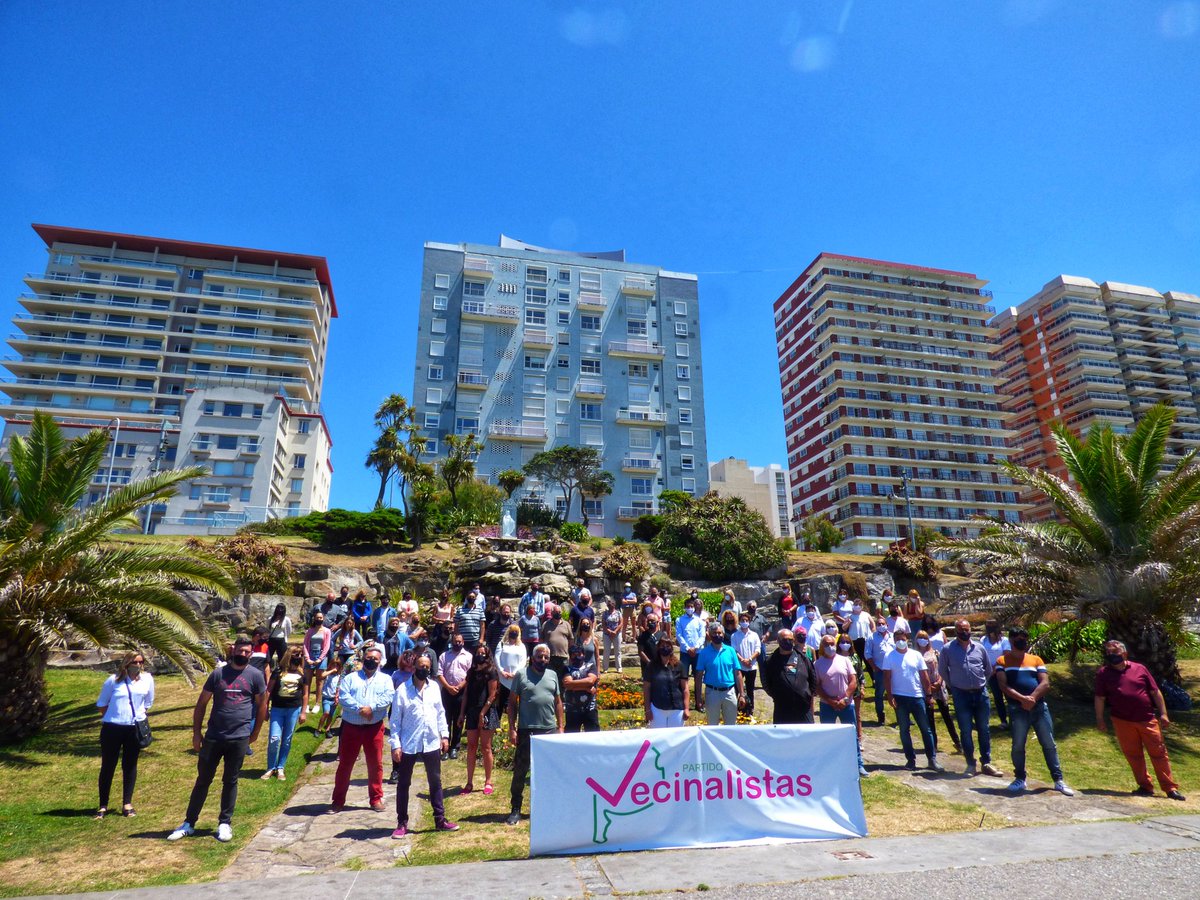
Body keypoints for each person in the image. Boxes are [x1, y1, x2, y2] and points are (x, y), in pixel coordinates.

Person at [168, 635, 266, 843]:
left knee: (230, 780)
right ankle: (189, 823)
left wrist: (255, 732)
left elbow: (262, 705)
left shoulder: (255, 676)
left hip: (239, 737)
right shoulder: (218, 674)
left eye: (247, 652)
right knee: (203, 780)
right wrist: (197, 733)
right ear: (233, 649)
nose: (243, 654)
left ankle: (224, 823)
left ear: (251, 653)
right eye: (240, 650)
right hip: (214, 736)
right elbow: (202, 703)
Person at [1094, 640, 1185, 801]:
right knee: (1133, 755)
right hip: (1122, 720)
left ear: (1124, 654)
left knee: (1159, 754)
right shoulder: (1103, 673)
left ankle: (1170, 788)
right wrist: (1100, 719)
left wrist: (1164, 714)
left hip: (1146, 719)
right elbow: (1100, 698)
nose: (1111, 656)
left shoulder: (1139, 669)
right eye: (1108, 653)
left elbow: (1155, 692)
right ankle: (1145, 786)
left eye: (1114, 652)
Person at [995, 627, 1073, 796]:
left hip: (1039, 708)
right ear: (1011, 640)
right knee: (1017, 745)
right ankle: (1020, 779)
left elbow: (1045, 682)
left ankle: (1058, 780)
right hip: (1017, 709)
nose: (1021, 640)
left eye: (1024, 637)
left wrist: (1032, 699)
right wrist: (1022, 699)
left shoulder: (1036, 659)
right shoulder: (1002, 661)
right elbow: (1003, 685)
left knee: (1049, 744)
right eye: (1018, 637)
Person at [388, 654, 458, 837]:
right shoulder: (402, 690)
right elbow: (394, 721)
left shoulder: (434, 687)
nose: (424, 669)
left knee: (435, 781)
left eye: (427, 666)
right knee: (403, 783)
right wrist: (395, 745)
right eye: (421, 666)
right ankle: (402, 822)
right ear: (413, 667)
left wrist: (445, 736)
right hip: (408, 743)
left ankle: (440, 820)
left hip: (431, 741)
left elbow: (440, 713)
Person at [330, 645, 394, 812]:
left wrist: (371, 708)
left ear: (380, 662)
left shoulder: (386, 679)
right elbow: (343, 697)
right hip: (351, 727)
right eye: (369, 657)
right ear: (363, 658)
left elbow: (388, 697)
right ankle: (338, 800)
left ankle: (376, 799)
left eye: (375, 659)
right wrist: (361, 709)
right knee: (345, 764)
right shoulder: (350, 678)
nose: (371, 661)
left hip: (374, 728)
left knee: (375, 765)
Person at [506, 643, 564, 826]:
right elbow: (512, 704)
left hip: (548, 731)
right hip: (527, 730)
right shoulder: (521, 675)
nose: (543, 660)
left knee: (548, 773)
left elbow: (558, 703)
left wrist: (560, 726)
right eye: (540, 657)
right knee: (521, 772)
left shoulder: (553, 675)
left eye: (546, 657)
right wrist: (512, 728)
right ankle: (516, 808)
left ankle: (547, 808)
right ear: (533, 657)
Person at [939, 620, 1004, 777]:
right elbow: (943, 671)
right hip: (961, 695)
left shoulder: (979, 648)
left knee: (984, 729)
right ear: (956, 631)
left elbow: (988, 670)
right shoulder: (947, 649)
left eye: (967, 629)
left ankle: (986, 762)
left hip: (980, 694)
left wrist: (980, 683)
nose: (965, 632)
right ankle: (970, 763)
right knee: (966, 730)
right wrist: (953, 686)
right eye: (961, 629)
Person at [95, 650, 154, 819]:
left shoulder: (147, 680)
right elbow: (102, 704)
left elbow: (148, 703)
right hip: (112, 728)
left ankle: (127, 803)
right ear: (127, 664)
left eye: (141, 662)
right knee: (108, 766)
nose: (139, 665)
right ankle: (103, 805)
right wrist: (114, 717)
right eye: (135, 662)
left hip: (133, 728)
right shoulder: (113, 681)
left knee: (130, 765)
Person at [881, 631, 943, 773]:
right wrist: (890, 696)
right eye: (897, 639)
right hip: (900, 697)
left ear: (907, 639)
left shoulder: (916, 655)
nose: (900, 641)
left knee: (926, 729)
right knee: (904, 730)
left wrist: (928, 694)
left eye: (902, 639)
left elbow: (924, 675)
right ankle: (910, 760)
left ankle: (932, 759)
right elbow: (887, 677)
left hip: (917, 696)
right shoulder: (889, 656)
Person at [815, 634, 866, 777]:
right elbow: (817, 686)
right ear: (822, 647)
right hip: (827, 705)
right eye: (826, 644)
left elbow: (853, 680)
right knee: (828, 736)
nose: (830, 647)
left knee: (851, 735)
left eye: (832, 644)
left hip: (846, 704)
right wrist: (830, 700)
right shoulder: (817, 664)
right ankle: (830, 765)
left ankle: (858, 764)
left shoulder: (845, 660)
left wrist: (845, 698)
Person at [262, 648, 308, 780]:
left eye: (300, 655)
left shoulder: (302, 674)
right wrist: (265, 708)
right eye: (295, 655)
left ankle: (280, 767)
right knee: (274, 739)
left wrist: (303, 712)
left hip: (293, 710)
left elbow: (305, 694)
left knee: (287, 740)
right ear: (289, 656)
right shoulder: (278, 672)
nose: (298, 657)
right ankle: (271, 767)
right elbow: (268, 691)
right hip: (277, 709)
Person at [459, 645, 499, 795]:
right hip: (472, 710)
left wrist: (483, 713)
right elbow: (467, 694)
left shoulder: (491, 672)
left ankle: (488, 781)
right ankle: (469, 782)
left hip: (487, 711)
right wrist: (462, 714)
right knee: (471, 746)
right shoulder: (471, 672)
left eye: (483, 653)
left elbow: (492, 695)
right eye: (478, 652)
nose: (480, 655)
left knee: (486, 747)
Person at [916, 630, 960, 756]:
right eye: (920, 638)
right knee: (930, 719)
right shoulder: (915, 654)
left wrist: (940, 682)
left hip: (938, 686)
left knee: (946, 716)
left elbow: (942, 668)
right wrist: (927, 686)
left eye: (924, 638)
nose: (922, 640)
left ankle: (957, 742)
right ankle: (933, 744)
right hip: (925, 688)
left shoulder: (935, 652)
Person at [762, 628, 817, 724]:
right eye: (784, 640)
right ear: (778, 641)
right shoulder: (771, 661)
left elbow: (813, 680)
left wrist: (806, 694)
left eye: (790, 640)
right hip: (782, 710)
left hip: (803, 709)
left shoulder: (803, 659)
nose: (788, 642)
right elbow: (766, 682)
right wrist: (777, 695)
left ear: (794, 640)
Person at [696, 623, 745, 726]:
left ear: (723, 634)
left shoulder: (731, 651)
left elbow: (737, 673)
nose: (717, 635)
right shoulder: (703, 653)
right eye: (714, 633)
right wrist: (699, 697)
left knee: (731, 726)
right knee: (712, 726)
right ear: (709, 635)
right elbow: (699, 676)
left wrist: (742, 694)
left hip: (729, 692)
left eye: (719, 633)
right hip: (712, 693)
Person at [644, 632, 690, 727]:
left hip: (677, 709)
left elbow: (685, 689)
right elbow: (646, 689)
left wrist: (686, 709)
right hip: (657, 709)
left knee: (676, 739)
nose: (665, 648)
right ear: (658, 648)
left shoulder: (679, 665)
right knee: (658, 739)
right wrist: (647, 709)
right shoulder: (651, 666)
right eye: (662, 645)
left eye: (667, 646)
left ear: (671, 648)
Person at [438, 634, 472, 759]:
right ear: (452, 642)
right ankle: (444, 747)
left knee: (458, 719)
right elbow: (439, 673)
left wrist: (459, 687)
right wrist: (448, 687)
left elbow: (469, 674)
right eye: (455, 641)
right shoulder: (444, 655)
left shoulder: (468, 656)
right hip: (446, 691)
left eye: (459, 641)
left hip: (461, 692)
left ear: (463, 642)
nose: (457, 643)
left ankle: (454, 747)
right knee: (445, 719)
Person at [675, 596, 706, 711]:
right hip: (685, 653)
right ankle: (684, 703)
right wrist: (688, 648)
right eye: (688, 607)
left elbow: (702, 636)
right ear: (685, 608)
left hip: (698, 653)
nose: (690, 608)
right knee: (684, 678)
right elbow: (679, 635)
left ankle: (699, 703)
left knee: (698, 678)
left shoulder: (699, 621)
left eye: (692, 607)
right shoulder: (679, 620)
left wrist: (696, 647)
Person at [563, 643, 600, 732]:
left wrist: (573, 686)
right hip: (572, 710)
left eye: (579, 654)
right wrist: (586, 688)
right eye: (574, 655)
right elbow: (567, 683)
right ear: (570, 656)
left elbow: (591, 681)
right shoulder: (566, 668)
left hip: (590, 708)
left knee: (593, 737)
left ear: (583, 654)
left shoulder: (591, 666)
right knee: (571, 737)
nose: (577, 657)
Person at [981, 620, 1010, 728]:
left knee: (1009, 696)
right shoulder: (983, 640)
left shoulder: (1004, 640)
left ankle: (1013, 719)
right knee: (998, 698)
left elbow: (1006, 656)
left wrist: (996, 668)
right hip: (991, 674)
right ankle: (1003, 721)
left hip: (1002, 672)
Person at [865, 617, 894, 725]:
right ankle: (880, 716)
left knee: (896, 693)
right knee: (879, 694)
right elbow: (867, 653)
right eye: (878, 624)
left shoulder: (893, 636)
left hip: (893, 670)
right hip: (880, 670)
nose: (881, 626)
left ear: (887, 625)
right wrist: (874, 667)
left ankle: (902, 716)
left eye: (883, 624)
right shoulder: (871, 637)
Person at [732, 612, 762, 716]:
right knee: (737, 688)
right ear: (739, 622)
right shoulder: (734, 635)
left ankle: (750, 709)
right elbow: (734, 650)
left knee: (750, 689)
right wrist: (743, 660)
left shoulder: (754, 635)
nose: (744, 622)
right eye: (742, 621)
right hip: (740, 666)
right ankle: (737, 707)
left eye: (746, 621)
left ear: (749, 622)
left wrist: (749, 659)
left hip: (751, 666)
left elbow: (758, 649)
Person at [496, 624, 527, 715]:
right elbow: (496, 658)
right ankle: (497, 724)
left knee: (514, 703)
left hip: (515, 678)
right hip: (503, 677)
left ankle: (513, 724)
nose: (514, 633)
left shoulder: (521, 646)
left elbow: (523, 661)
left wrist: (515, 674)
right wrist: (501, 671)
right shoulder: (501, 644)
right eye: (512, 631)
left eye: (516, 632)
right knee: (500, 701)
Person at [540, 606, 574, 681]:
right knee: (550, 679)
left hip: (564, 657)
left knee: (564, 679)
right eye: (556, 612)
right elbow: (541, 639)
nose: (558, 613)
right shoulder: (546, 624)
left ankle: (562, 693)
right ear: (552, 613)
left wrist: (571, 653)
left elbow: (571, 639)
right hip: (550, 657)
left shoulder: (566, 624)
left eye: (559, 612)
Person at [315, 655, 344, 738]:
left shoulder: (339, 677)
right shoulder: (327, 674)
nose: (335, 667)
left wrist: (337, 697)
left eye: (337, 666)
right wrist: (331, 670)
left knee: (331, 715)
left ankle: (328, 729)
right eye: (333, 665)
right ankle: (319, 729)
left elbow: (340, 688)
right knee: (326, 713)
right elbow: (321, 675)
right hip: (326, 698)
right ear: (330, 665)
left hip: (333, 698)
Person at [600, 596, 623, 674]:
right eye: (609, 604)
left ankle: (619, 668)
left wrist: (615, 631)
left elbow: (621, 623)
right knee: (606, 651)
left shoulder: (618, 613)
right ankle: (605, 668)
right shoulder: (605, 613)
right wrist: (609, 631)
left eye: (611, 603)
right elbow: (603, 624)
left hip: (617, 634)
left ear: (614, 604)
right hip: (607, 634)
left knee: (618, 651)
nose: (610, 605)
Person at [266, 604, 293, 670]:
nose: (280, 610)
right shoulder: (270, 619)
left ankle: (282, 671)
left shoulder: (286, 619)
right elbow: (267, 629)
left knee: (282, 658)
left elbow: (289, 630)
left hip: (281, 640)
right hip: (271, 640)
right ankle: (268, 670)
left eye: (282, 608)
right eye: (278, 608)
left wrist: (285, 636)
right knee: (268, 657)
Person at [430, 589, 454, 656]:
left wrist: (450, 622)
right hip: (439, 626)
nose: (444, 597)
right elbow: (433, 617)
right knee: (436, 641)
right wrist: (440, 620)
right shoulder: (437, 606)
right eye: (443, 596)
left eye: (445, 596)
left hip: (447, 626)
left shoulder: (451, 606)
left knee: (447, 641)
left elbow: (452, 617)